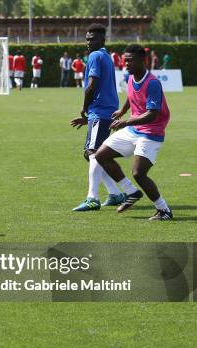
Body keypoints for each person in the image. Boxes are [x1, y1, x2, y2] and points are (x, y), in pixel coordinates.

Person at [96, 44, 172, 221]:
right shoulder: (131, 77)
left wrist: (125, 121)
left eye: (130, 61)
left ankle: (164, 210)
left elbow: (152, 114)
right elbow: (131, 96)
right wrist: (123, 110)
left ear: (142, 60)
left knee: (139, 173)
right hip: (133, 129)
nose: (126, 64)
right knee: (100, 155)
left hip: (151, 132)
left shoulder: (152, 83)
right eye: (125, 61)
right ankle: (131, 192)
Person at [69, 23, 124, 211]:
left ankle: (92, 198)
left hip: (100, 111)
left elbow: (92, 84)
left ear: (102, 39)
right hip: (105, 111)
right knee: (96, 155)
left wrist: (84, 108)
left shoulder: (94, 56)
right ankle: (115, 193)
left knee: (92, 153)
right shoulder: (106, 57)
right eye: (87, 39)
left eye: (92, 39)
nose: (88, 43)